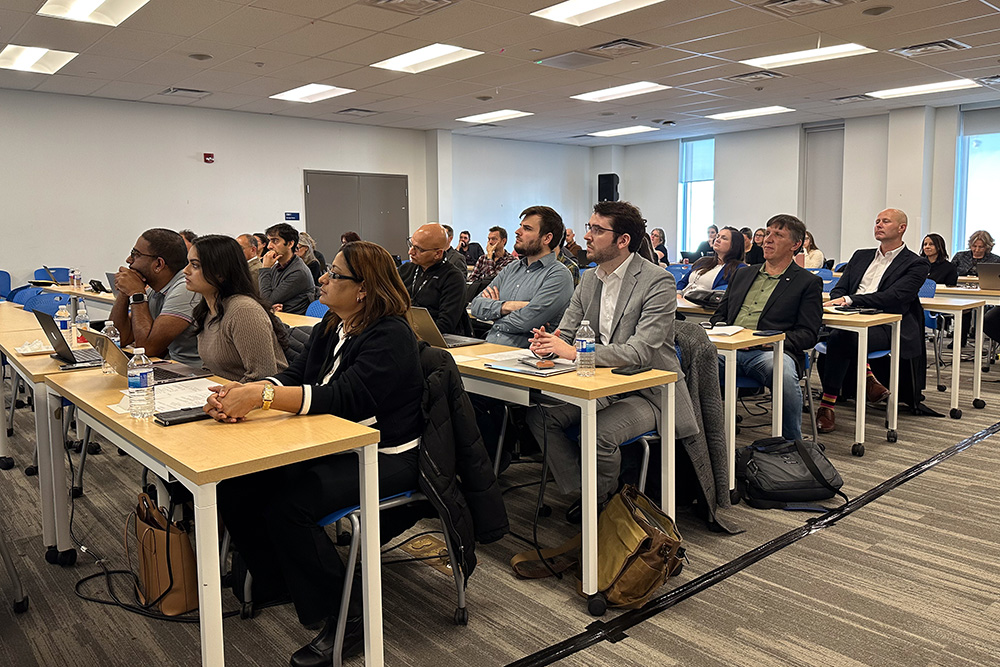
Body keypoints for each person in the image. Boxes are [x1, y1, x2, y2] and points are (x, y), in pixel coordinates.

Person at [206, 241, 425, 666]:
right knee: (238, 484)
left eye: (335, 274)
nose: (322, 277)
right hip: (338, 445)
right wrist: (246, 391)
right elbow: (296, 374)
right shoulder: (333, 322)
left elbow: (347, 399)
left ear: (363, 289)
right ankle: (280, 580)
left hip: (387, 455)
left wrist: (263, 396)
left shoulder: (391, 334)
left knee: (292, 506)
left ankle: (349, 617)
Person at [526, 201, 697, 522]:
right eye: (589, 227)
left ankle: (603, 505)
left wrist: (576, 353)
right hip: (603, 383)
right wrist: (549, 344)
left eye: (597, 230)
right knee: (540, 417)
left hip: (649, 390)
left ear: (623, 241)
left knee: (599, 433)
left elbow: (640, 352)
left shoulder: (657, 281)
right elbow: (567, 329)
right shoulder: (589, 279)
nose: (587, 236)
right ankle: (587, 494)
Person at [817, 208, 930, 433]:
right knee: (819, 331)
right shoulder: (861, 255)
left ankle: (827, 405)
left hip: (885, 326)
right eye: (877, 221)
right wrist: (843, 299)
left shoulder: (916, 263)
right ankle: (868, 378)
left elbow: (895, 296)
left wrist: (850, 300)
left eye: (885, 221)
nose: (878, 224)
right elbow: (839, 288)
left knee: (842, 338)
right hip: (847, 318)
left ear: (901, 228)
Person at [711, 215, 823, 441]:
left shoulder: (806, 282)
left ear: (795, 245)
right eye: (767, 233)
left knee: (782, 371)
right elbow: (719, 316)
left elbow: (808, 334)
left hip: (767, 352)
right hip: (727, 350)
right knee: (679, 359)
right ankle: (687, 439)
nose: (768, 239)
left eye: (778, 235)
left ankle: (792, 445)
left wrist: (766, 341)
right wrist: (719, 331)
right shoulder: (743, 274)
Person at [183, 235, 288, 382]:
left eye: (195, 265)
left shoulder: (243, 311)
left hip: (259, 400)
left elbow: (262, 377)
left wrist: (222, 397)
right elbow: (212, 369)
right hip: (228, 395)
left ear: (220, 273)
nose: (185, 271)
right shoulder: (207, 310)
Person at [469, 206, 574, 347]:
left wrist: (493, 316)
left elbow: (525, 322)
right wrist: (507, 306)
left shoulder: (558, 275)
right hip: (489, 348)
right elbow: (476, 306)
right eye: (520, 227)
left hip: (523, 357)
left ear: (547, 238)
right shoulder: (512, 268)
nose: (517, 232)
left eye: (527, 229)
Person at [110, 229, 201, 366]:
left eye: (135, 255)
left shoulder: (185, 289)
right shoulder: (156, 288)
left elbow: (147, 349)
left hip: (193, 374)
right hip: (172, 368)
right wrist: (125, 291)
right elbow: (119, 339)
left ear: (158, 264)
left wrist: (136, 293)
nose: (129, 260)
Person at [398, 223, 467, 335]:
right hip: (404, 332)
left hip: (435, 339)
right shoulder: (405, 270)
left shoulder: (453, 278)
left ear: (438, 253)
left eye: (418, 249)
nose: (410, 252)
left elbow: (445, 325)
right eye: (411, 245)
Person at [259, 222, 315, 315]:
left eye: (275, 241)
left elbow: (267, 300)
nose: (269, 246)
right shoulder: (278, 266)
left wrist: (265, 268)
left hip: (294, 322)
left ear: (290, 244)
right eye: (269, 241)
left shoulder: (298, 272)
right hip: (280, 317)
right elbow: (266, 299)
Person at [676, 225, 745, 296]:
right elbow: (682, 282)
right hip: (681, 300)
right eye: (718, 236)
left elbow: (724, 293)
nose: (717, 240)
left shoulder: (738, 268)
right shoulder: (703, 261)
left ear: (734, 245)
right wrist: (678, 294)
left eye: (724, 238)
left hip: (702, 304)